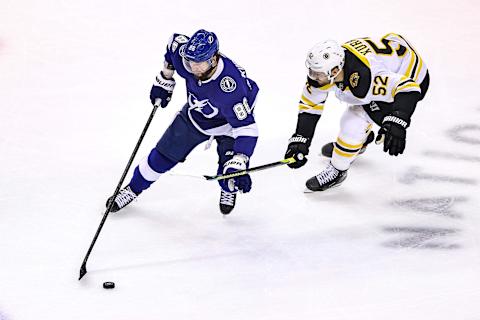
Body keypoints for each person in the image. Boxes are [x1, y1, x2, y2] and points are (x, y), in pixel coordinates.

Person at [107, 29, 259, 214]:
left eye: (199, 63)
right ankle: (133, 188)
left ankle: (228, 190)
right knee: (161, 157)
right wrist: (165, 78)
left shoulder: (230, 87)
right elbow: (173, 43)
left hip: (229, 126)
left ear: (213, 59)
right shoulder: (185, 55)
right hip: (195, 118)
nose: (193, 68)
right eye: (190, 61)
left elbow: (247, 127)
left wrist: (240, 159)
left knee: (229, 175)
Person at [284, 33, 430, 191]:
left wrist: (398, 119)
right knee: (358, 105)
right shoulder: (330, 69)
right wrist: (301, 139)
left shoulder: (366, 76)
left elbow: (409, 88)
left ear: (335, 71)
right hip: (392, 55)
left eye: (318, 74)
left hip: (412, 77)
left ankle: (337, 170)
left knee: (353, 122)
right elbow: (310, 106)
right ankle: (355, 143)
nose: (313, 77)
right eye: (312, 72)